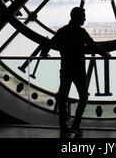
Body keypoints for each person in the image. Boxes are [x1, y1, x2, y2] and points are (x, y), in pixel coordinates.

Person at [40, 7, 111, 137]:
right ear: (78, 17)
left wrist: (44, 53)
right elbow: (93, 46)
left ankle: (64, 126)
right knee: (83, 97)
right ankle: (75, 125)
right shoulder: (81, 32)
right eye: (84, 16)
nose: (85, 18)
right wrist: (105, 54)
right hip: (79, 69)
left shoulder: (63, 31)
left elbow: (50, 43)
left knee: (62, 98)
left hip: (66, 68)